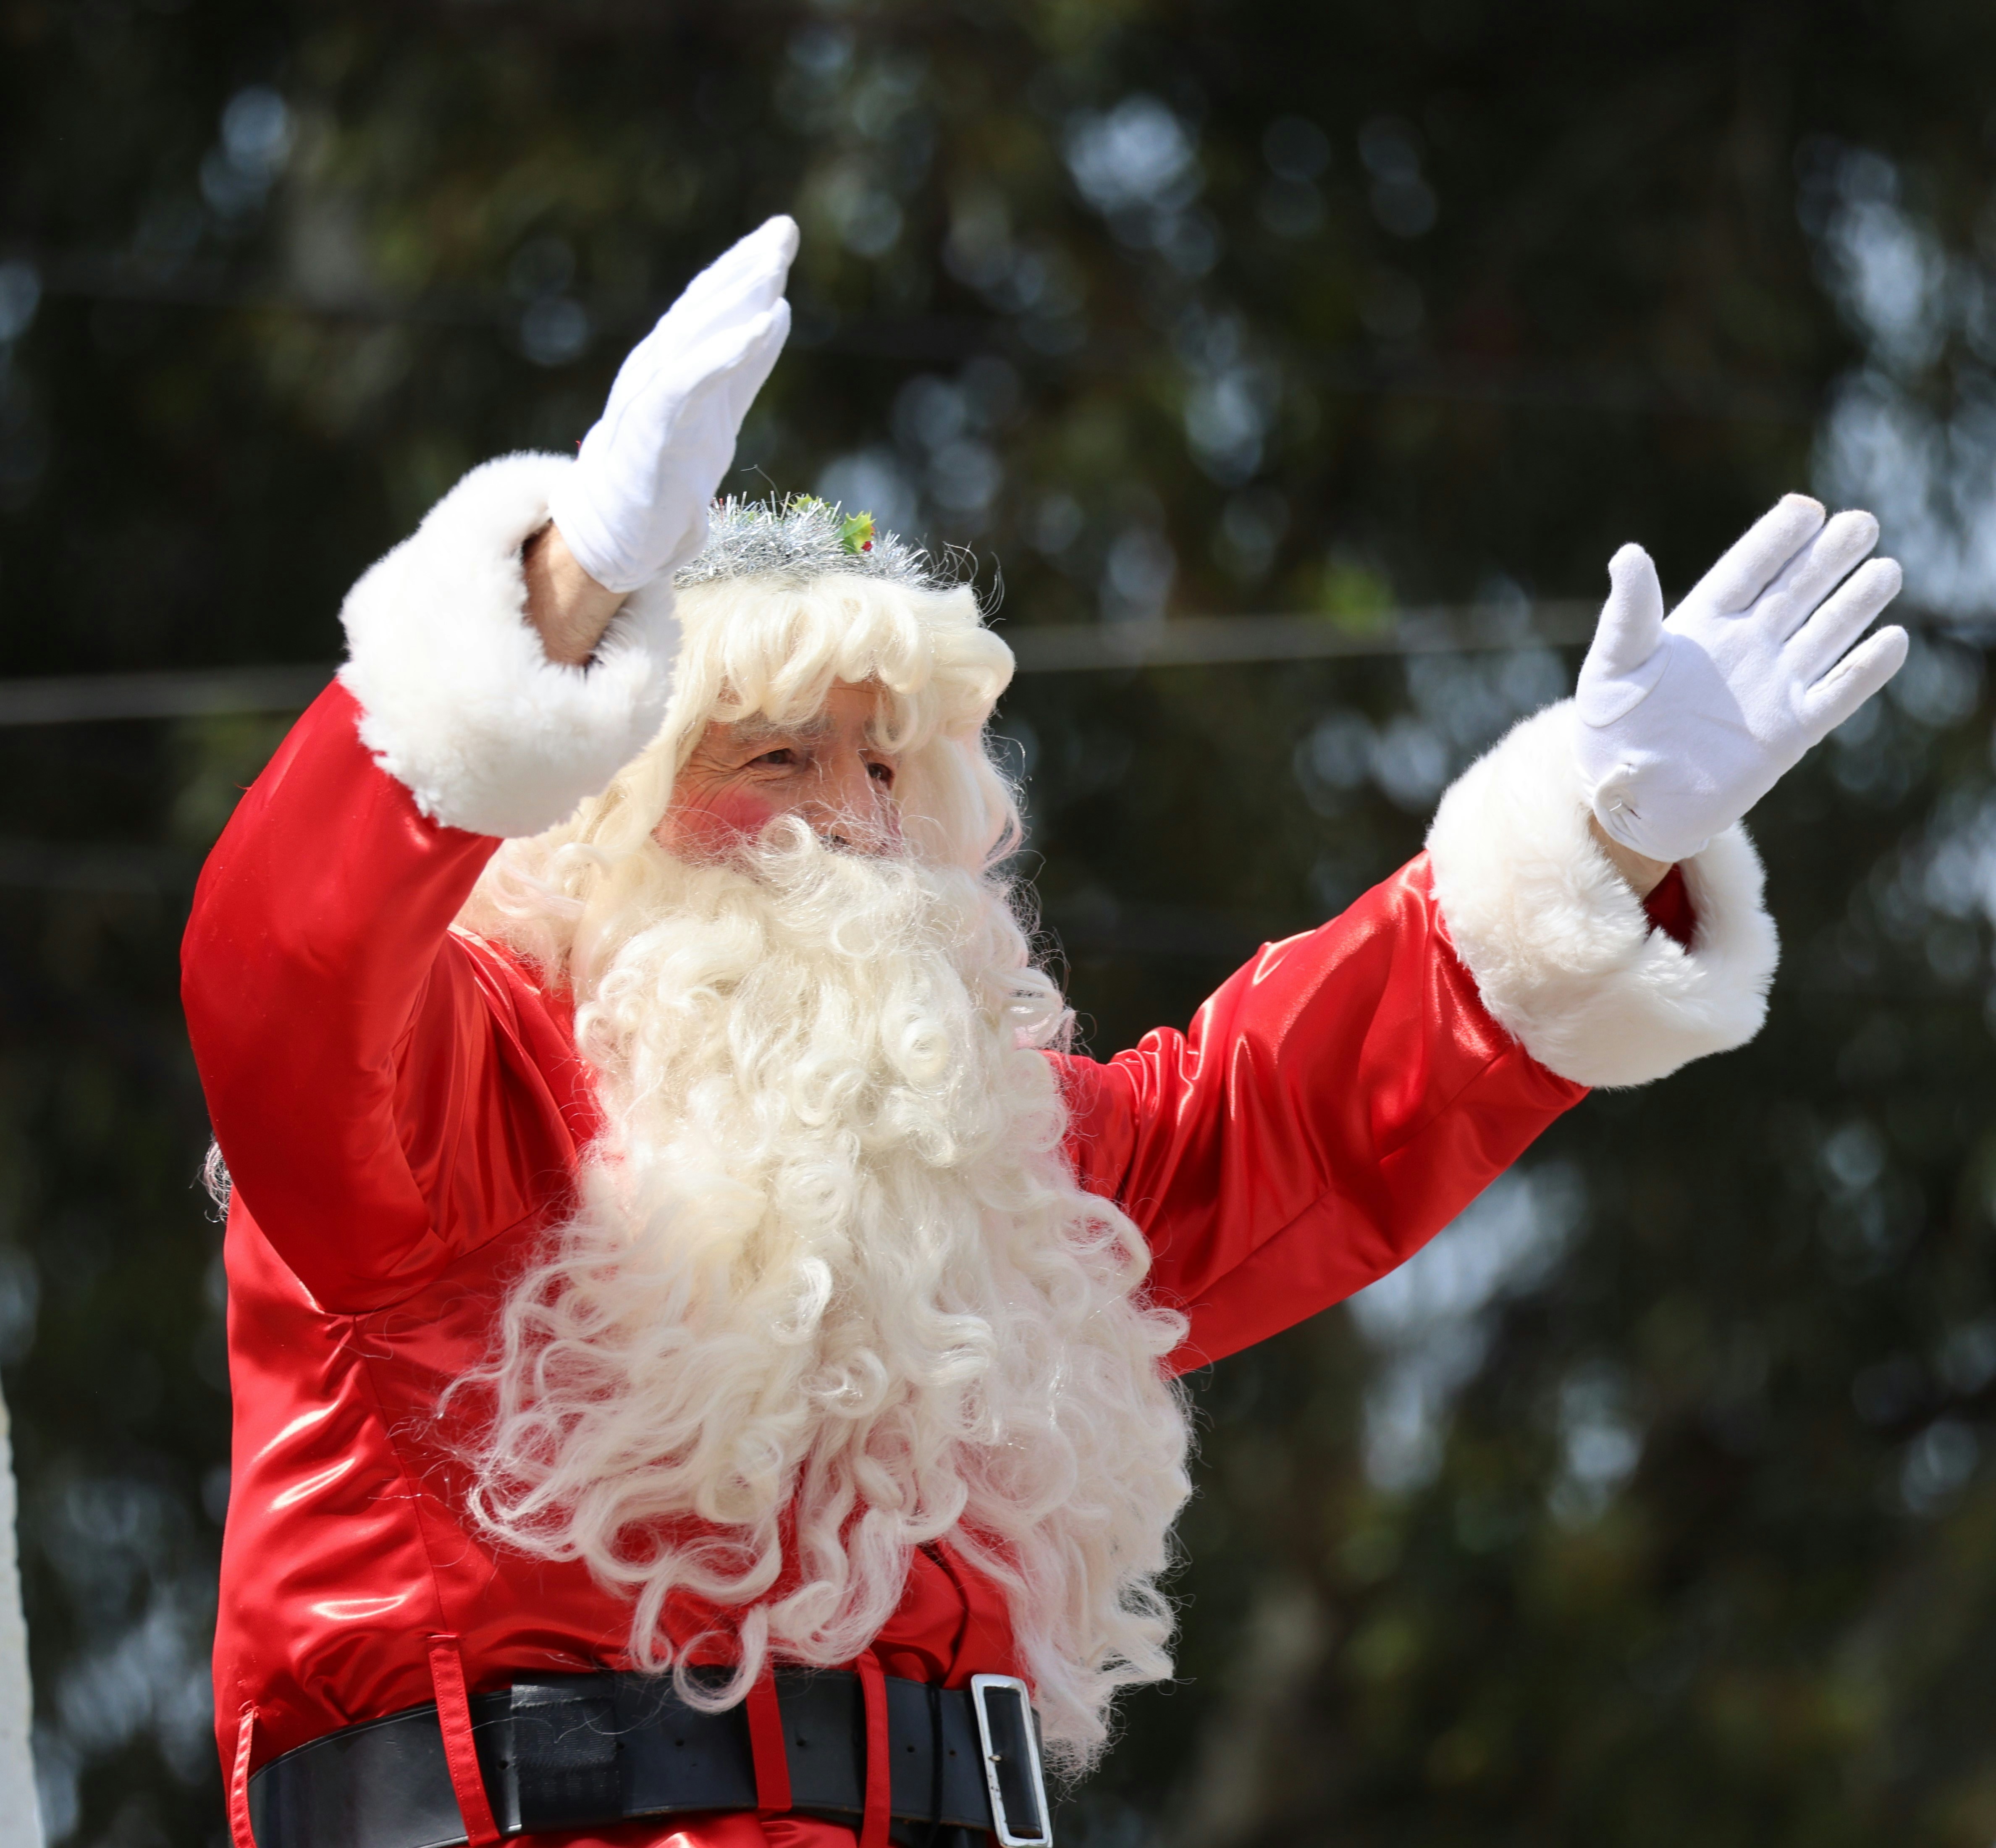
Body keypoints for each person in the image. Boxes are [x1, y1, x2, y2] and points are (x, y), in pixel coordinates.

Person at [181, 217, 1908, 1848]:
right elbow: (283, 973)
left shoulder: (997, 1166)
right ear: (587, 818)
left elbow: (1292, 1120)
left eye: (882, 767)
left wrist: (1597, 831)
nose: (849, 820)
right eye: (772, 760)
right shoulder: (464, 1091)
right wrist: (563, 590)